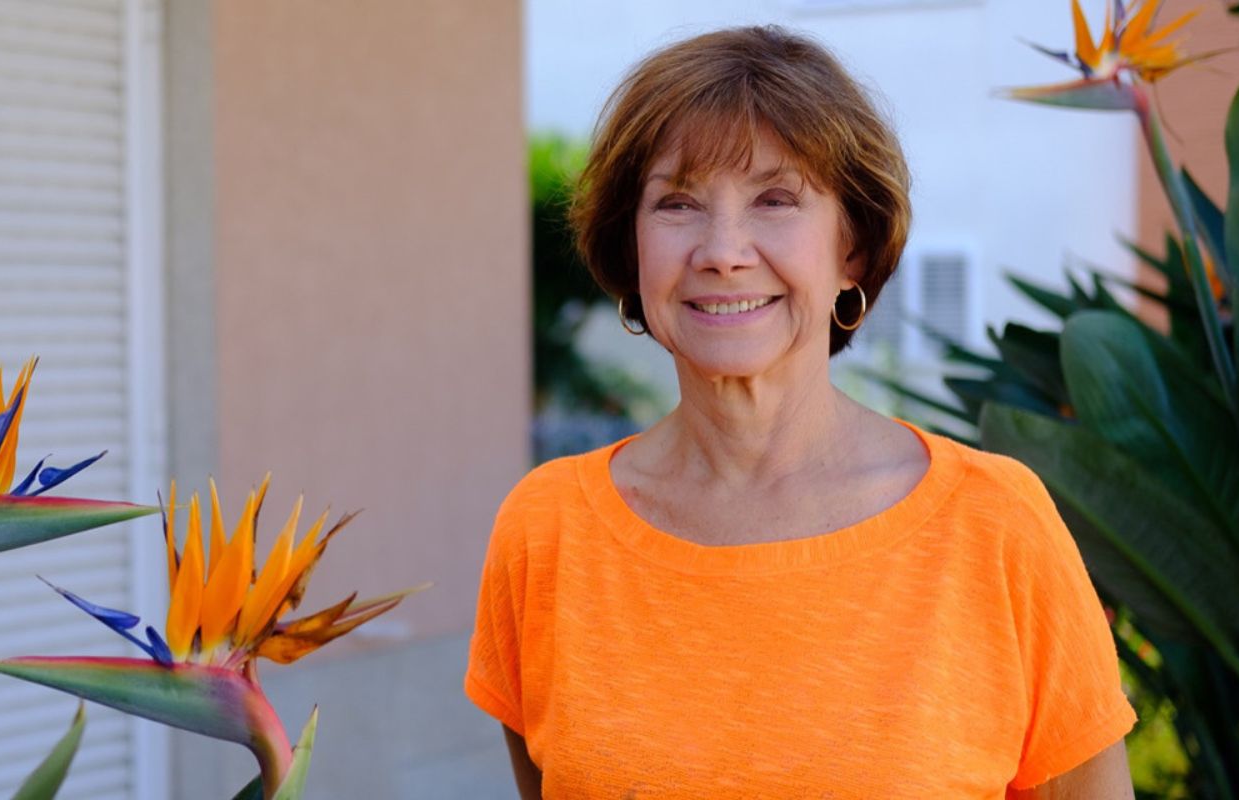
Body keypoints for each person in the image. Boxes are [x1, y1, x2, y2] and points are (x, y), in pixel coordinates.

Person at [465, 25, 1137, 799]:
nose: (723, 250)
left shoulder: (995, 526)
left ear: (852, 246)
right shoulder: (546, 532)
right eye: (677, 202)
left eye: (775, 199)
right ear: (632, 248)